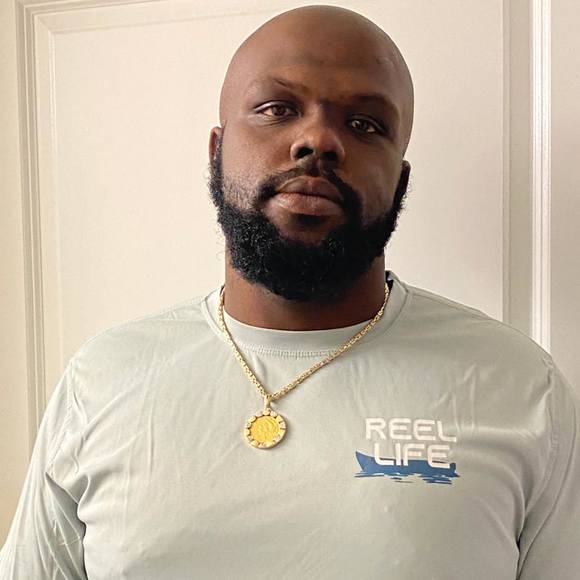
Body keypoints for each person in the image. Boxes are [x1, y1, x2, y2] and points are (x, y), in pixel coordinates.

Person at [1, 4, 578, 579]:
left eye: (365, 124)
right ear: (217, 151)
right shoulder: (104, 379)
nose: (318, 140)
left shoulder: (517, 385)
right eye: (277, 109)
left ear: (399, 179)